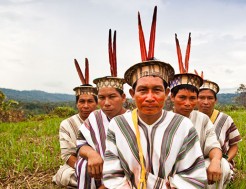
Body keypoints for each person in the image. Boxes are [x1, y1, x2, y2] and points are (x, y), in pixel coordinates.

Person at [102, 6, 207, 189]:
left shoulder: (183, 126)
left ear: (167, 94)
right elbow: (113, 175)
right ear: (132, 94)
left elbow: (193, 176)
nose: (150, 97)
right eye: (143, 90)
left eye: (157, 90)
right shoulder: (118, 125)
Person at [169, 33, 230, 189]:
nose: (188, 103)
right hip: (170, 172)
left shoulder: (202, 119)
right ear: (172, 97)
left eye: (192, 98)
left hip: (197, 168)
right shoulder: (164, 118)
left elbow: (214, 145)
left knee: (222, 165)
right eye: (182, 97)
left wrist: (216, 161)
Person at [76, 29, 128, 189]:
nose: (106, 103)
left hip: (127, 177)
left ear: (124, 98)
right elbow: (80, 144)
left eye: (112, 97)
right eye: (102, 98)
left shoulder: (133, 119)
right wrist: (91, 154)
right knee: (84, 164)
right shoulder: (94, 117)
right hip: (98, 173)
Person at [53, 58, 98, 188]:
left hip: (103, 165)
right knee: (65, 175)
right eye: (81, 101)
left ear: (96, 103)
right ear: (76, 104)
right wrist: (85, 170)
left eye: (90, 101)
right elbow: (67, 155)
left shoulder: (104, 120)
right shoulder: (67, 124)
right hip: (79, 166)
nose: (85, 105)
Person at [198, 79, 242, 182]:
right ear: (196, 99)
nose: (206, 102)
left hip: (219, 161)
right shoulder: (191, 118)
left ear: (215, 100)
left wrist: (224, 161)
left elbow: (234, 146)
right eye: (201, 98)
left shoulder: (225, 119)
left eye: (210, 98)